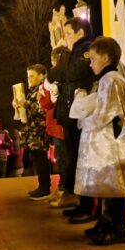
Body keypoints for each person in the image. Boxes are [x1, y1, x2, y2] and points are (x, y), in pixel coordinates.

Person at [70, 36, 125, 246]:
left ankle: (118, 227)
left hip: (115, 141)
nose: (90, 64)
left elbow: (104, 114)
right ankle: (106, 220)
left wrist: (81, 112)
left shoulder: (110, 80)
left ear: (106, 57)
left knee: (114, 185)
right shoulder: (108, 79)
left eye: (93, 59)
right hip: (111, 140)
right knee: (108, 184)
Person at [50, 17, 99, 223]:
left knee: (82, 159)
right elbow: (54, 75)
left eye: (68, 33)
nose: (65, 38)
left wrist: (65, 56)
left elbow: (71, 73)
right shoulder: (72, 53)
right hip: (69, 113)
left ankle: (88, 205)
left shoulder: (88, 50)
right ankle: (80, 201)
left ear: (79, 33)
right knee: (73, 159)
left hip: (81, 114)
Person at [39, 46, 77, 208]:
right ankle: (64, 189)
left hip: (59, 122)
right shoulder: (68, 73)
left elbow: (47, 102)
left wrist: (41, 95)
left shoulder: (55, 75)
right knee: (64, 158)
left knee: (64, 159)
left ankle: (65, 190)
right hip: (59, 122)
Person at [17, 64, 51, 200]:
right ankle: (42, 186)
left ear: (41, 76)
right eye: (28, 76)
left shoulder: (42, 89)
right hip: (33, 130)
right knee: (37, 159)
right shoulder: (33, 90)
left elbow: (41, 109)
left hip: (39, 131)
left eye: (32, 76)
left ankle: (45, 188)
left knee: (40, 158)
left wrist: (24, 103)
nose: (29, 79)